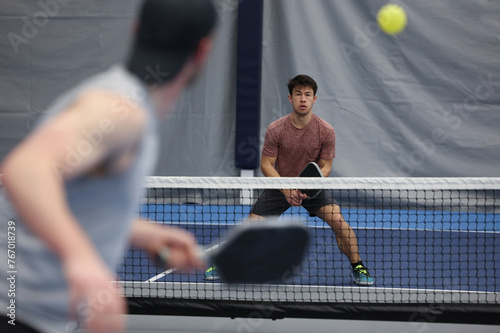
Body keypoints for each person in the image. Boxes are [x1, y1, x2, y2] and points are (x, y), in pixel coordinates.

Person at [0, 1, 217, 332]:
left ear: (135, 31)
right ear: (203, 50)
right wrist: (83, 262)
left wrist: (145, 234)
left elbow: (71, 201)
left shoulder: (119, 101)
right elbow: (25, 169)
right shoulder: (122, 111)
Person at [205, 75, 374, 286]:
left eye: (307, 95)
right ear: (290, 98)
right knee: (251, 227)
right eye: (298, 94)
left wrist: (307, 189)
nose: (303, 99)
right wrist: (287, 190)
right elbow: (266, 165)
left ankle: (358, 266)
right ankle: (225, 262)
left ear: (314, 99)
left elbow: (326, 167)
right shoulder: (276, 129)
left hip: (313, 187)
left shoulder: (326, 131)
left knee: (339, 221)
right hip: (280, 185)